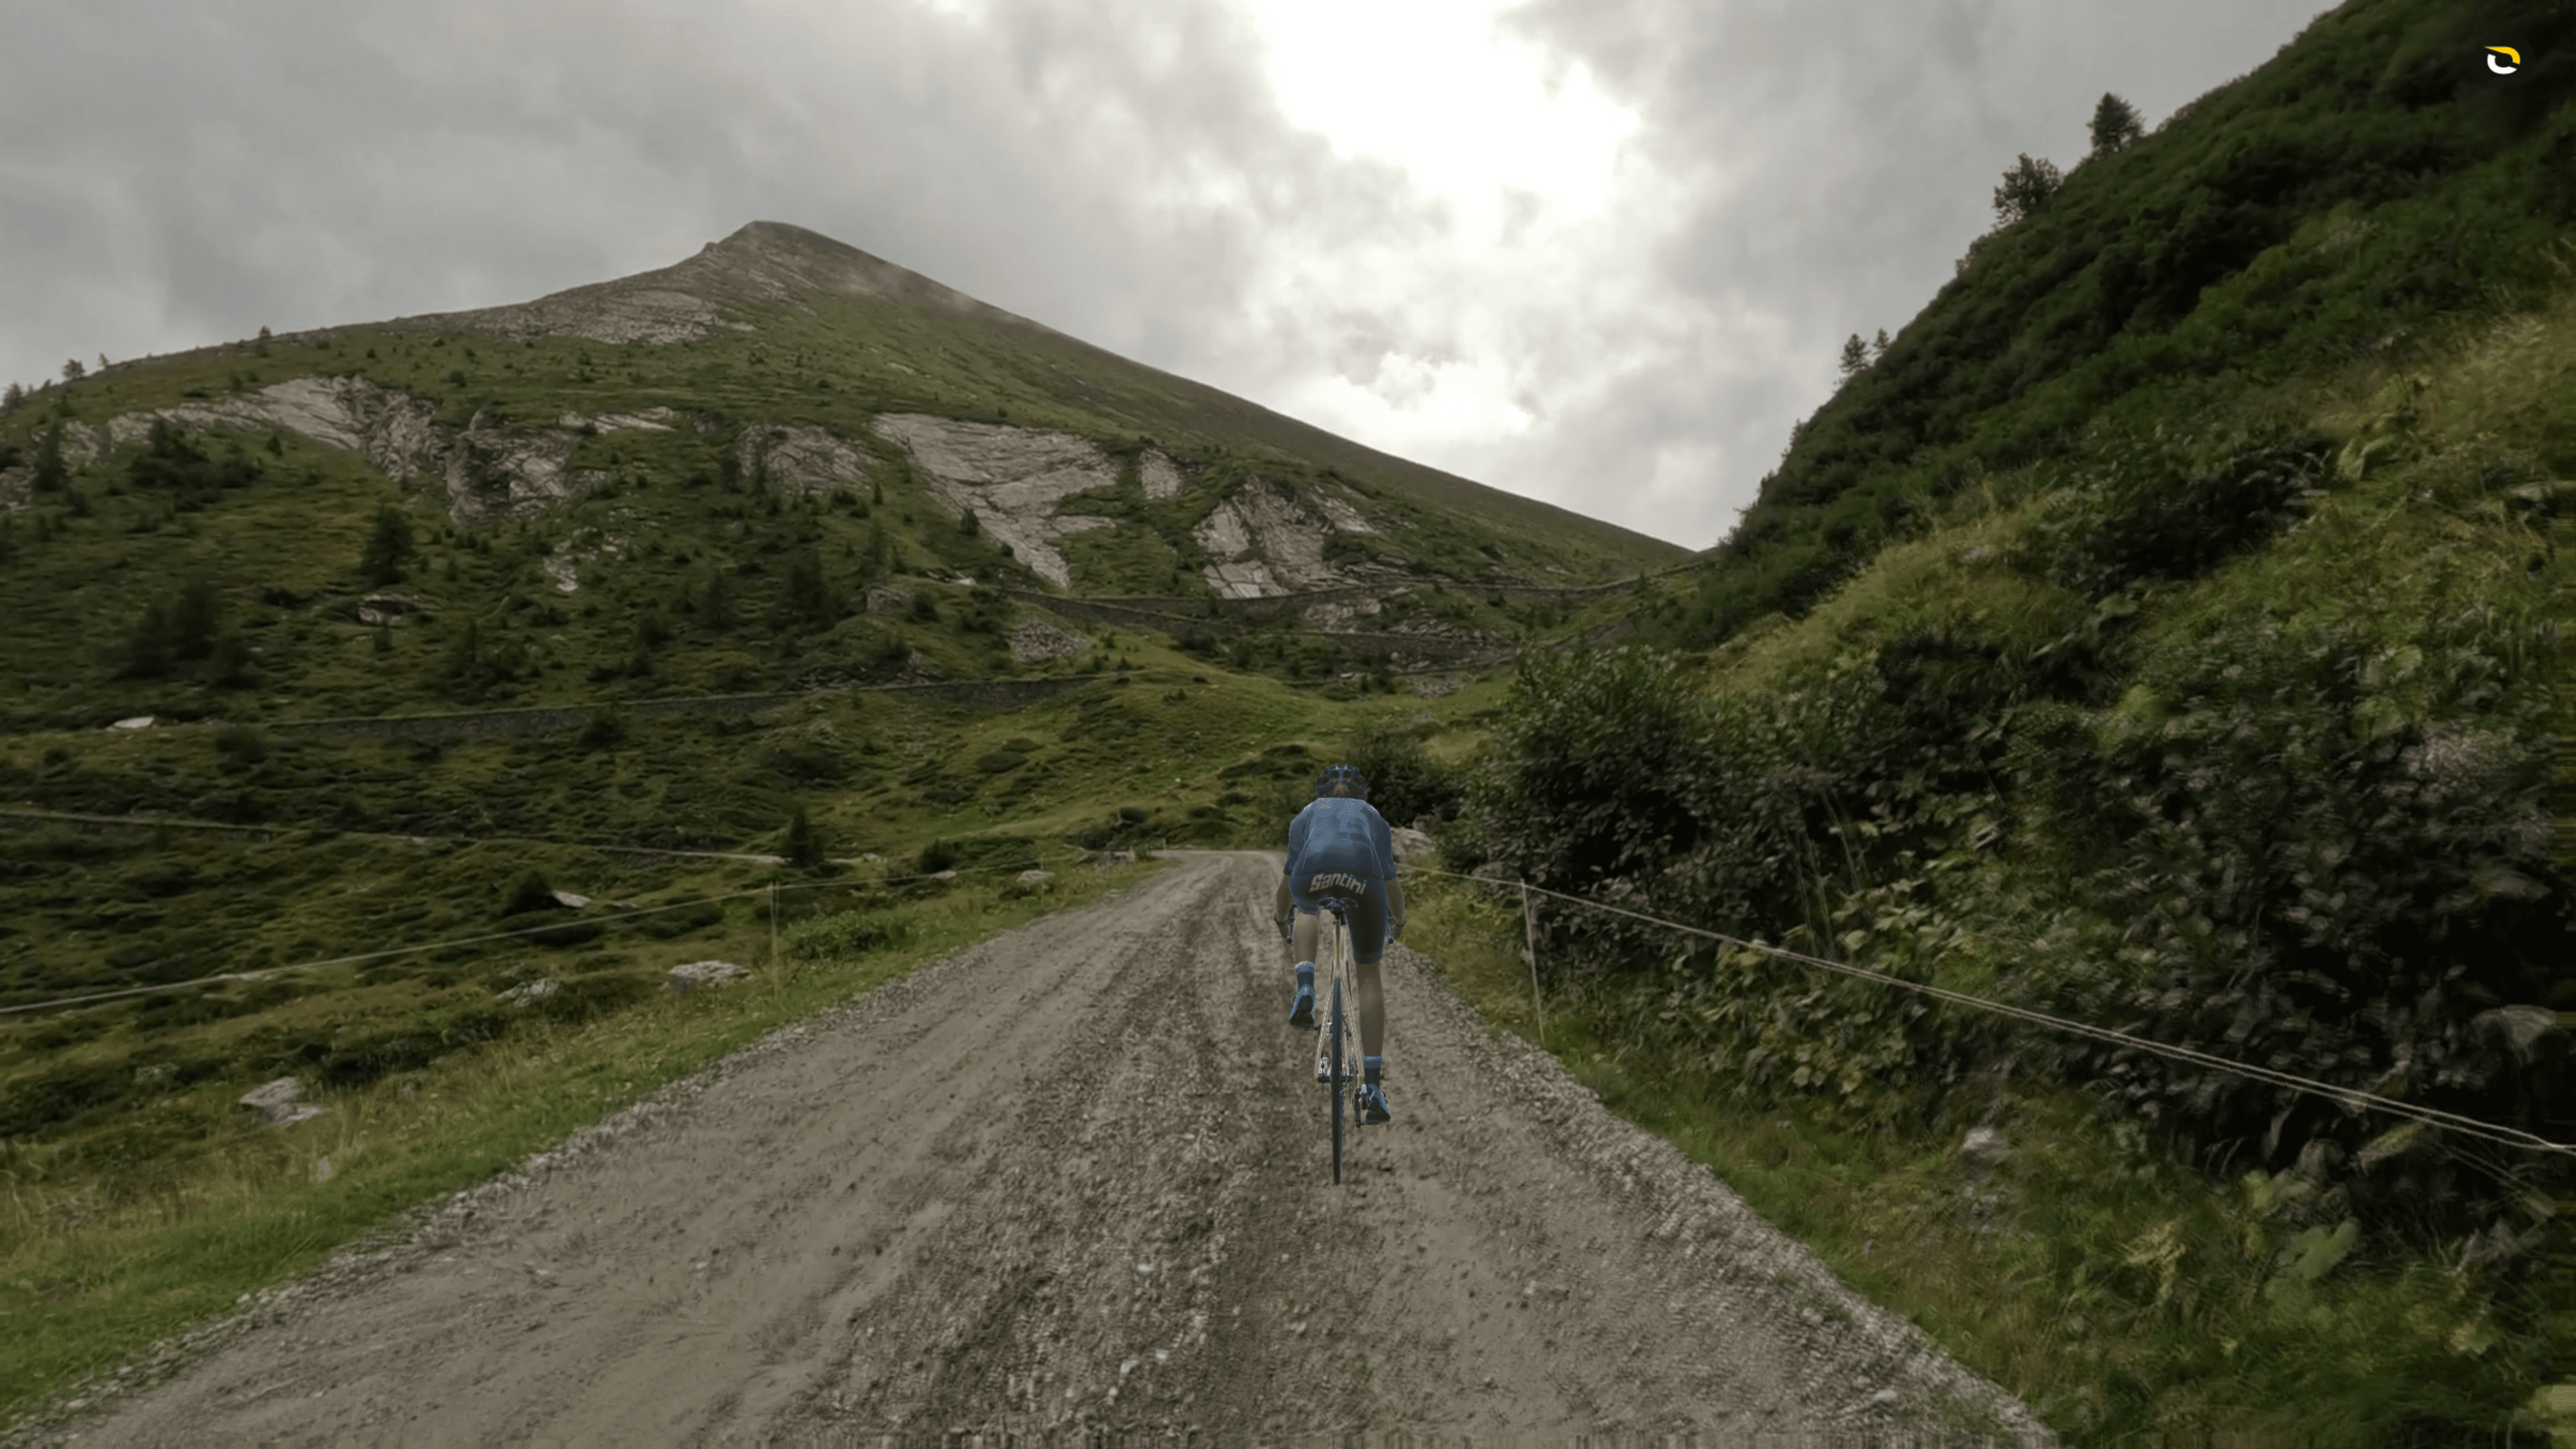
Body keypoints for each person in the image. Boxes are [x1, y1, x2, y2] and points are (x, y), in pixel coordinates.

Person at [1273, 762, 1405, 1123]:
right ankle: (1374, 1087)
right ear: (1361, 792)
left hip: (1311, 874)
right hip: (1364, 880)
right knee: (1368, 975)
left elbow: (1287, 880)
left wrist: (1280, 915)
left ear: (1320, 791)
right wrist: (1400, 918)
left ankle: (1305, 984)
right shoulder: (1372, 815)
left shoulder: (1305, 815)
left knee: (1306, 907)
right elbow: (1390, 878)